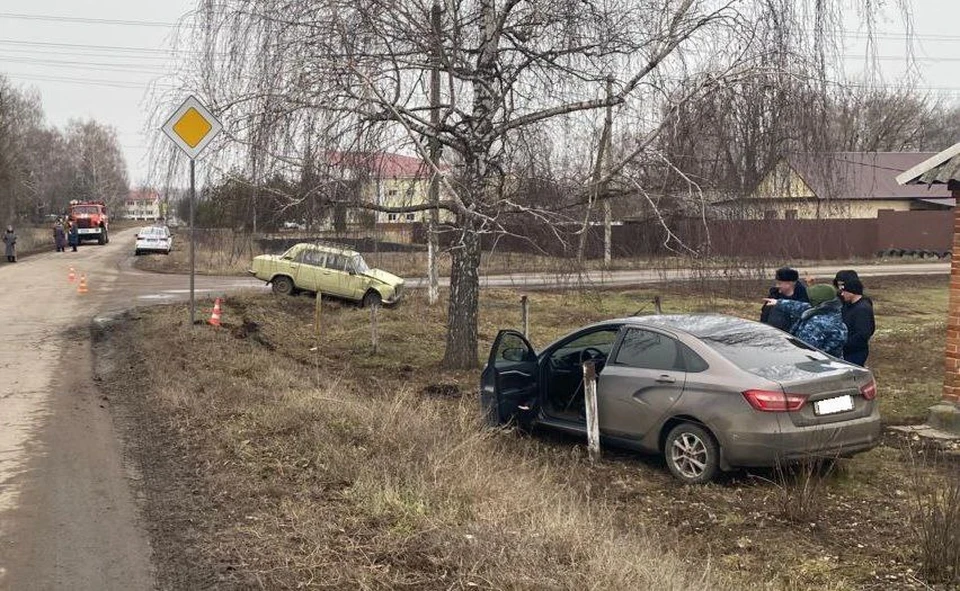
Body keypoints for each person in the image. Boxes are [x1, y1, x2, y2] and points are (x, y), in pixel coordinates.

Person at [764, 284, 847, 357]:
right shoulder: (828, 310)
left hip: (815, 367)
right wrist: (778, 302)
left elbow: (802, 350)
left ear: (818, 301)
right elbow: (800, 306)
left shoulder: (818, 324)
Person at [838, 278, 875, 366]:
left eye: (844, 291)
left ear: (852, 292)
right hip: (847, 351)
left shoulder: (862, 309)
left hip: (854, 353)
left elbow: (863, 334)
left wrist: (843, 345)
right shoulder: (848, 305)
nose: (842, 294)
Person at [760, 267, 809, 332]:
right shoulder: (774, 295)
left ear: (790, 283)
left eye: (780, 283)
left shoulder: (804, 299)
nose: (777, 286)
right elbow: (764, 316)